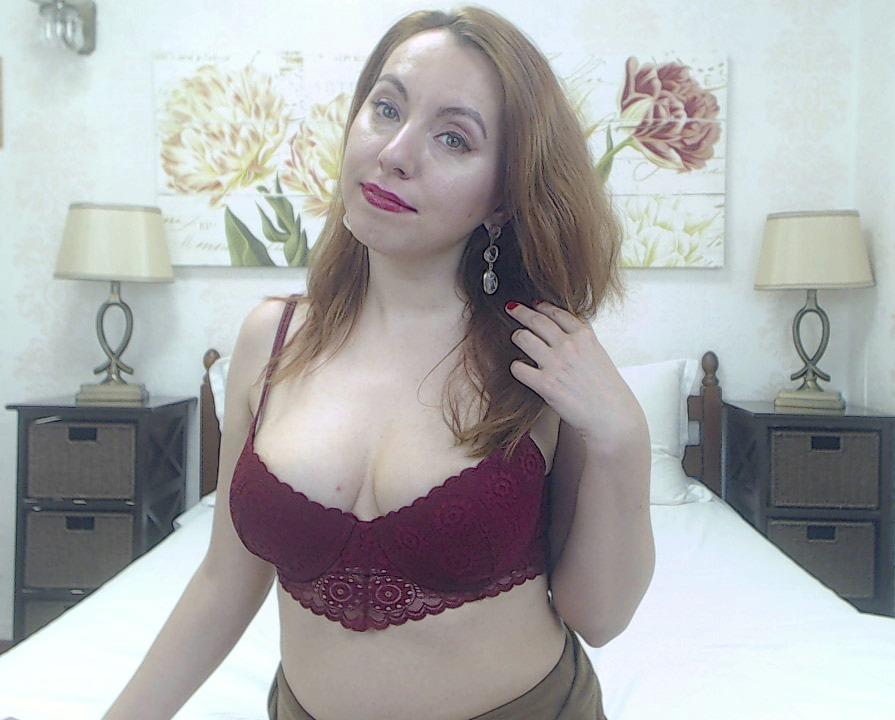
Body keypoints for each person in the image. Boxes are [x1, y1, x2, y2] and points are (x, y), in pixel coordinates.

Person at [105, 6, 653, 720]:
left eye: (454, 138)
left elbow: (599, 617)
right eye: (386, 108)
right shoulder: (272, 341)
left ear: (502, 198)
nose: (395, 152)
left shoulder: (542, 356)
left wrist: (624, 438)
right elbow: (224, 582)